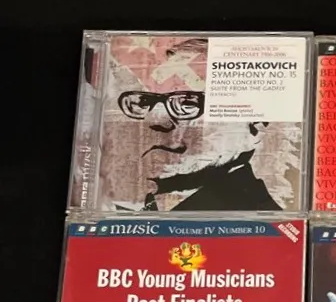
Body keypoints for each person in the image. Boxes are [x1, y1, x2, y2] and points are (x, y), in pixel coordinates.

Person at [112, 38, 280, 211]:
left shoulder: (262, 218)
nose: (158, 123)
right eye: (144, 103)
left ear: (254, 127)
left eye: (188, 104)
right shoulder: (120, 203)